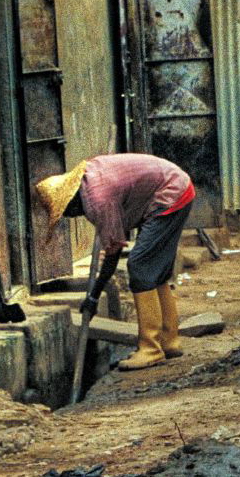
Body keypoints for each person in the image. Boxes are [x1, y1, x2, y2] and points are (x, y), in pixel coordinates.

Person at [36, 153, 196, 371]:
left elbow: (113, 252)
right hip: (175, 185)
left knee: (139, 266)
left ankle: (151, 349)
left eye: (67, 212)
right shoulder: (89, 178)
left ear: (72, 202)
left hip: (171, 192)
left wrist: (93, 296)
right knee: (156, 271)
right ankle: (169, 341)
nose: (71, 217)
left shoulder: (98, 201)